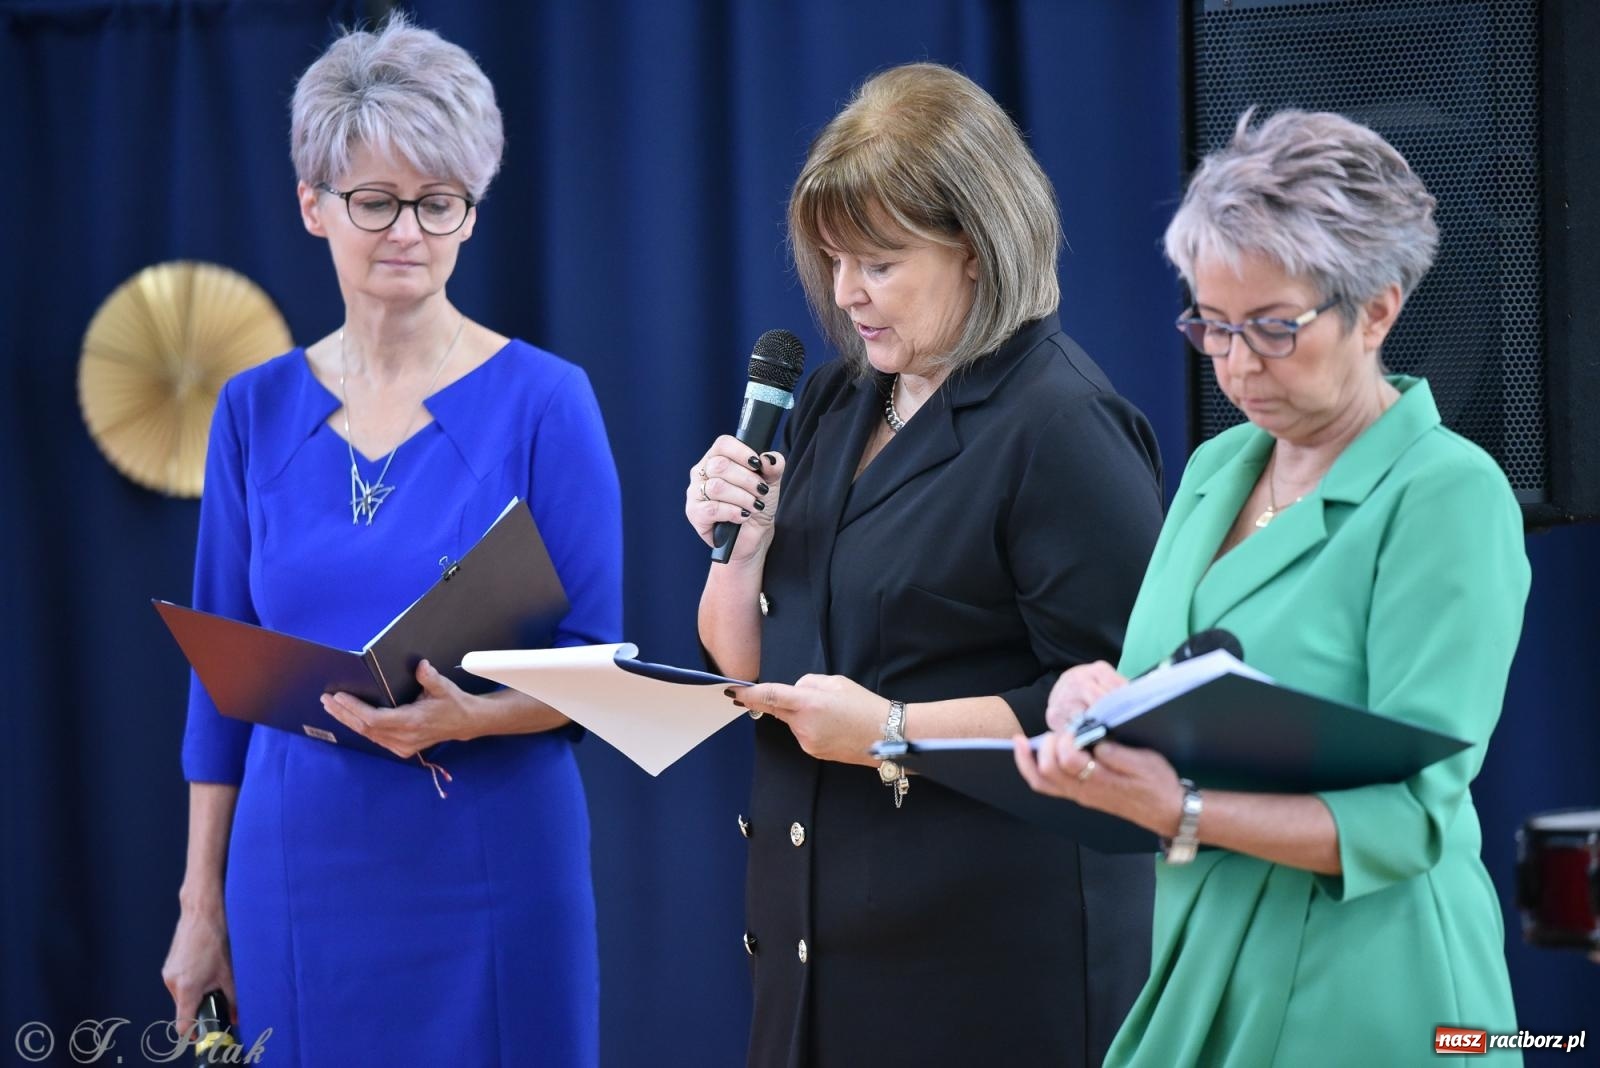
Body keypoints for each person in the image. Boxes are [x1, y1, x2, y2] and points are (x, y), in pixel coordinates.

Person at [1015, 109, 1530, 1066]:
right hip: (1202, 945)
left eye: (1273, 328)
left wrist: (1181, 811)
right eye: (1210, 325)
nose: (1237, 363)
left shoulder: (1448, 496)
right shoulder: (1216, 468)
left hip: (1378, 986)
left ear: (1377, 308)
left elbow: (1413, 817)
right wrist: (1098, 704)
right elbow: (1171, 701)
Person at [160, 15, 620, 1066]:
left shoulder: (549, 402)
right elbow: (215, 686)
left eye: (437, 201)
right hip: (298, 869)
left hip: (495, 867)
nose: (406, 229)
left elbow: (600, 666)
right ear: (314, 206)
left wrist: (469, 718)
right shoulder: (251, 410)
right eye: (375, 200)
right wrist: (200, 904)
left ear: (471, 212)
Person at [687, 63, 1165, 1065]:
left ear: (977, 251)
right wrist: (742, 555)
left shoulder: (1061, 426)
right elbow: (753, 673)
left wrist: (896, 734)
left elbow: (1125, 711)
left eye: (879, 264)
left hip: (985, 975)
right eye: (831, 261)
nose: (845, 294)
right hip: (816, 963)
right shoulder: (834, 401)